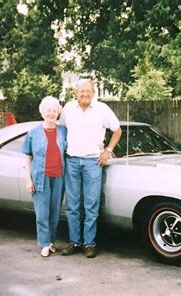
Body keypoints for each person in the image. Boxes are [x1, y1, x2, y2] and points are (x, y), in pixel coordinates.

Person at [59, 79, 122, 258]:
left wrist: (108, 151)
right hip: (71, 161)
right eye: (81, 91)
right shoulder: (68, 109)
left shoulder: (102, 109)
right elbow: (61, 131)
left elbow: (117, 131)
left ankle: (89, 243)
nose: (84, 94)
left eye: (88, 91)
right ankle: (74, 242)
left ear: (94, 93)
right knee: (72, 204)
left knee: (91, 204)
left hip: (93, 162)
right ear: (75, 92)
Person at [21, 96, 67, 258]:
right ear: (42, 112)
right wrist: (28, 179)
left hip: (59, 177)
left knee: (55, 212)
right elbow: (27, 157)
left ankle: (52, 241)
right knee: (42, 213)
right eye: (49, 110)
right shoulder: (33, 133)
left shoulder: (62, 131)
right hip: (41, 178)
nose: (52, 113)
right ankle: (44, 243)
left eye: (55, 110)